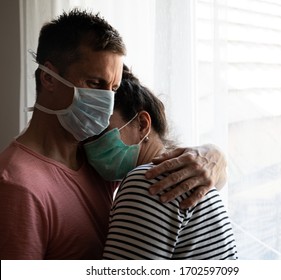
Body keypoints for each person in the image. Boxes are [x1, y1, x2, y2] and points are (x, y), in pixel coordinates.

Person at [0, 9, 227, 260]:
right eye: (96, 84)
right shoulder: (16, 186)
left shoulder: (96, 161)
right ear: (48, 78)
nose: (107, 102)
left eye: (114, 88)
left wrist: (213, 155)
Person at [86, 65, 237, 259]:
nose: (91, 146)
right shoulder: (192, 173)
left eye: (100, 131)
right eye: (87, 137)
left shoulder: (146, 181)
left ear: (142, 124)